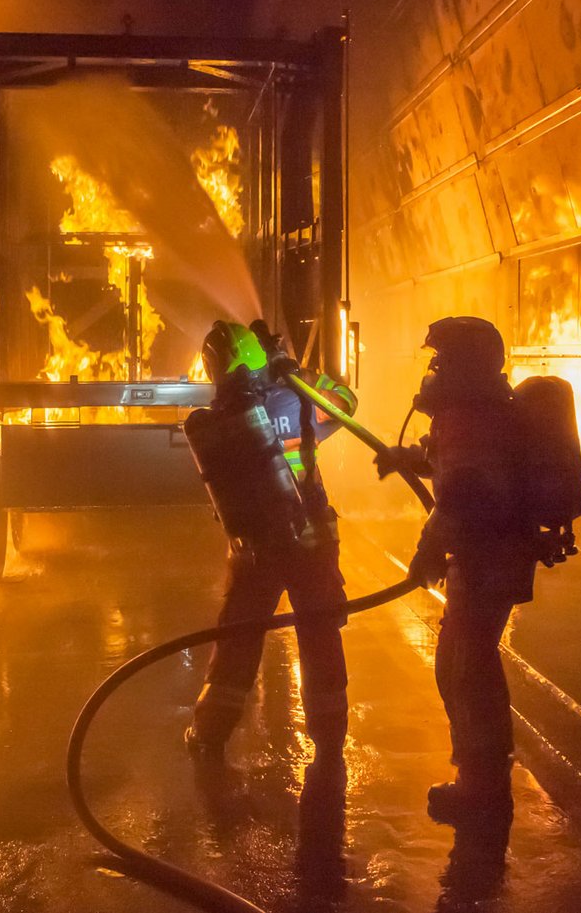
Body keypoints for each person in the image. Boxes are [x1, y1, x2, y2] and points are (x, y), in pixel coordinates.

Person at [375, 316, 542, 823]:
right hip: (485, 556)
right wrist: (407, 457)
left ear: (465, 365)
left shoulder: (472, 418)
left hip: (487, 558)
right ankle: (479, 780)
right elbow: (451, 466)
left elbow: (462, 493)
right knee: (460, 667)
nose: (433, 368)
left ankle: (485, 791)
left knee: (468, 672)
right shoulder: (471, 413)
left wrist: (425, 553)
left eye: (442, 359)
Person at [185, 320, 360, 780]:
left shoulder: (220, 413)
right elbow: (346, 404)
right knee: (320, 638)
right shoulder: (297, 396)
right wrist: (295, 368)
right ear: (261, 353)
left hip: (256, 550)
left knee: (237, 641)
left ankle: (208, 735)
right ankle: (329, 741)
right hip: (310, 541)